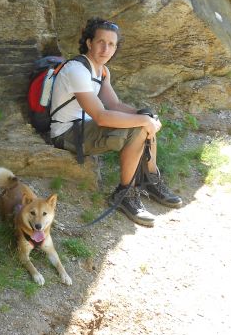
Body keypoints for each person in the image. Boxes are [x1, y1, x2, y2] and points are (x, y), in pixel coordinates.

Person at [50, 17, 182, 226]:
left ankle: (151, 180)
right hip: (66, 133)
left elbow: (114, 104)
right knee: (139, 127)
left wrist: (144, 114)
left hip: (85, 127)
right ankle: (124, 194)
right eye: (101, 42)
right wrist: (142, 121)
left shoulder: (102, 71)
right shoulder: (77, 69)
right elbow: (102, 117)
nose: (106, 48)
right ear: (89, 42)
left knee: (143, 119)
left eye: (111, 44)